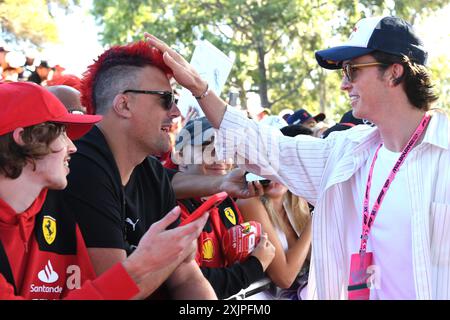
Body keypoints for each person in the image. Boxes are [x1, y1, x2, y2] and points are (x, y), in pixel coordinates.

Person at [145, 14, 448, 300]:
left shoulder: (443, 156)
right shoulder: (345, 153)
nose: (344, 83)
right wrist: (200, 88)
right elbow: (265, 146)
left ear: (394, 71)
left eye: (353, 70)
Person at [0, 82, 208, 299]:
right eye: (61, 133)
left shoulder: (63, 206)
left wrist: (145, 263)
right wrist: (140, 265)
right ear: (24, 138)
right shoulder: (68, 198)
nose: (73, 147)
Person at [61, 40, 217, 299]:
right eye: (166, 100)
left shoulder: (152, 172)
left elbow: (187, 274)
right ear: (123, 105)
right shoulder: (82, 163)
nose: (176, 112)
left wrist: (174, 258)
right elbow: (115, 291)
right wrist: (172, 257)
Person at [174, 117, 275, 299]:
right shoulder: (172, 208)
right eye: (206, 148)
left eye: (226, 149)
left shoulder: (226, 200)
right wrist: (255, 266)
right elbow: (191, 284)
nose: (219, 157)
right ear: (181, 157)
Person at [237, 126, 312, 300]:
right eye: (260, 166)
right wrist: (314, 222)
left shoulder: (295, 197)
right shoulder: (250, 202)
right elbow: (284, 278)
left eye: (275, 163)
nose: (270, 174)